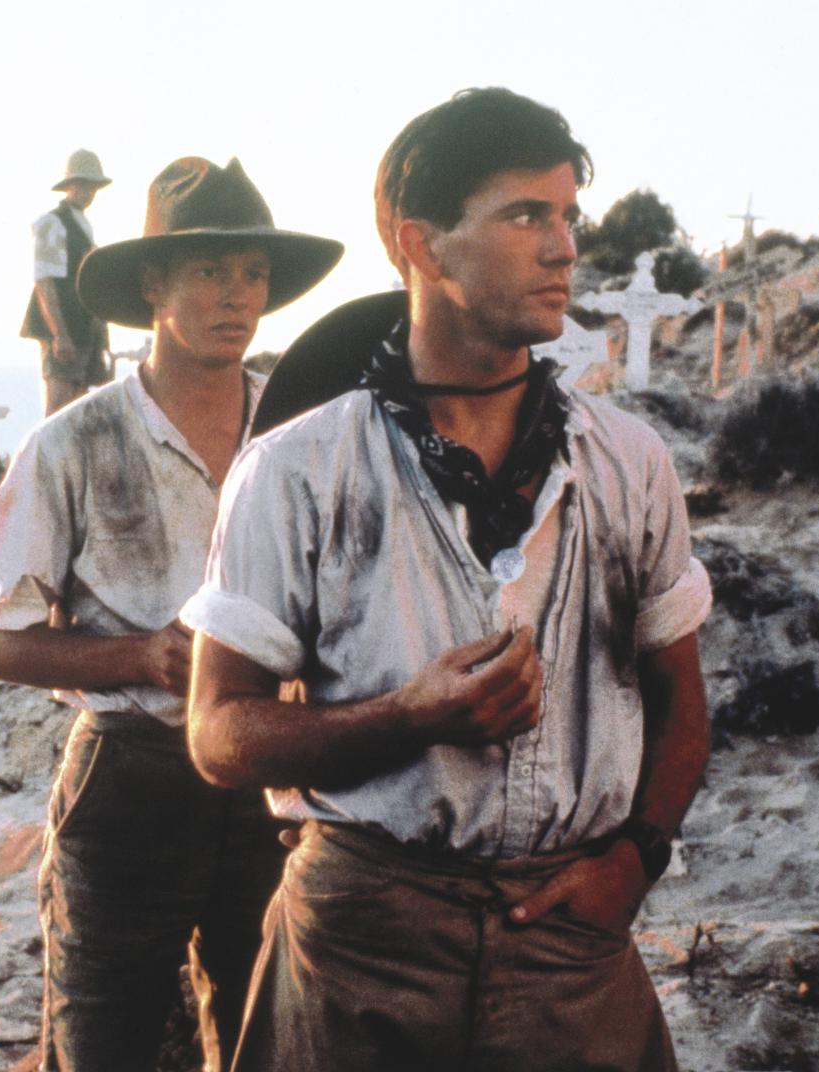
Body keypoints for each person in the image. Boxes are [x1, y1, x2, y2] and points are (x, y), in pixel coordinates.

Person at [183, 88, 713, 1071]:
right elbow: (217, 734)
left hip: (569, 951)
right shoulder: (298, 469)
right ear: (419, 244)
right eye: (525, 216)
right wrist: (405, 718)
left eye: (569, 217)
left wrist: (635, 859)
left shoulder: (627, 462)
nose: (563, 249)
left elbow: (682, 701)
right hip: (361, 948)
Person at [0, 156, 342, 1072]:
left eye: (253, 272)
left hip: (267, 778)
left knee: (264, 1038)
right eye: (209, 270)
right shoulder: (75, 441)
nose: (237, 295)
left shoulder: (301, 434)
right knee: (103, 1040)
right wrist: (140, 657)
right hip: (132, 782)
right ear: (152, 286)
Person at [22, 149, 114, 415]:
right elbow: (45, 281)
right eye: (82, 184)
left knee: (76, 408)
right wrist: (59, 333)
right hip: (65, 327)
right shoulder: (52, 223)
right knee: (58, 408)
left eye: (92, 186)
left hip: (83, 326)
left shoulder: (82, 224)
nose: (88, 192)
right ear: (69, 185)